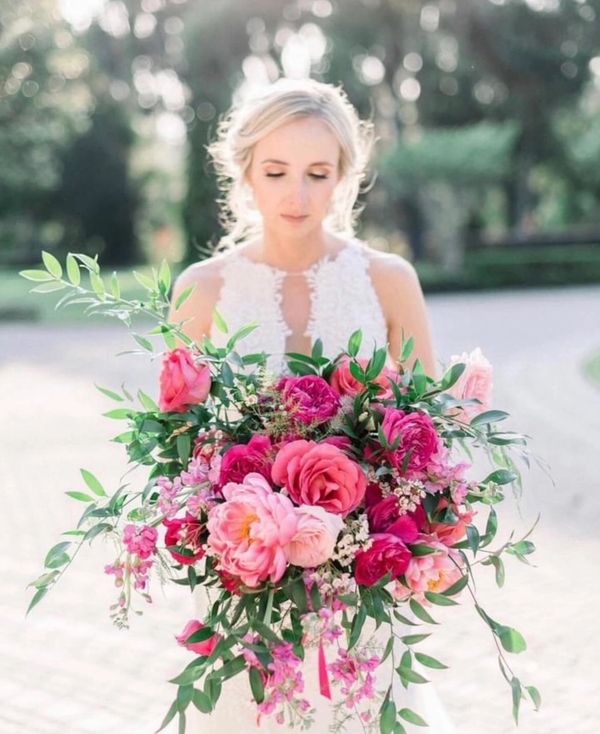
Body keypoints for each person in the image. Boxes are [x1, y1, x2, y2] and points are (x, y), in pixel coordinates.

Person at [168, 78, 455, 733]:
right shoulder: (201, 291)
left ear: (344, 179)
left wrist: (394, 531)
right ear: (244, 174)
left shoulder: (389, 281)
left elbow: (429, 440)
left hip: (359, 590)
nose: (297, 195)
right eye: (276, 171)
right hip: (246, 585)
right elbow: (177, 451)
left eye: (317, 173)